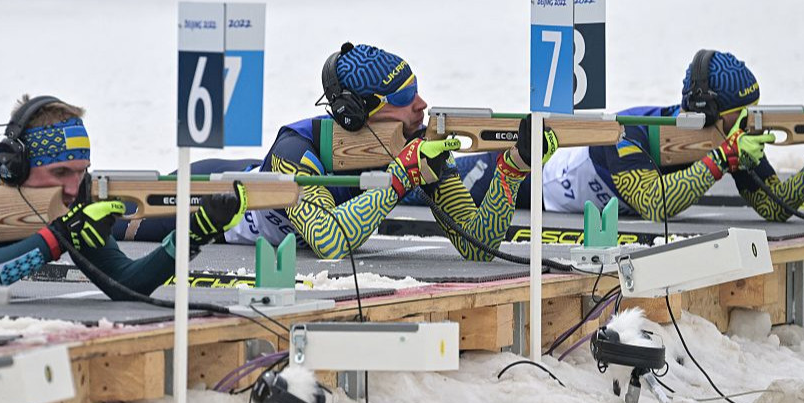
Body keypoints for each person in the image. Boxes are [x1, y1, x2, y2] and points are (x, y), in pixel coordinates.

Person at [125, 42, 558, 260]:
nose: (422, 107)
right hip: (208, 202)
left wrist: (513, 168)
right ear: (359, 113)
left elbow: (479, 246)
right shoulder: (295, 150)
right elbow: (329, 241)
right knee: (111, 221)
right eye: (407, 99)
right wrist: (399, 179)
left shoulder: (415, 144)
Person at [0, 95, 246, 296]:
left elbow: (126, 285)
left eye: (81, 171)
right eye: (59, 173)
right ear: (16, 164)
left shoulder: (68, 200)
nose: (74, 189)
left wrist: (192, 236)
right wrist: (57, 239)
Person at [456, 49, 804, 222]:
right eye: (739, 116)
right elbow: (655, 203)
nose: (748, 125)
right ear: (707, 114)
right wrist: (722, 161)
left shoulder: (728, 142)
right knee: (430, 186)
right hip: (507, 172)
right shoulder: (626, 134)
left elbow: (775, 208)